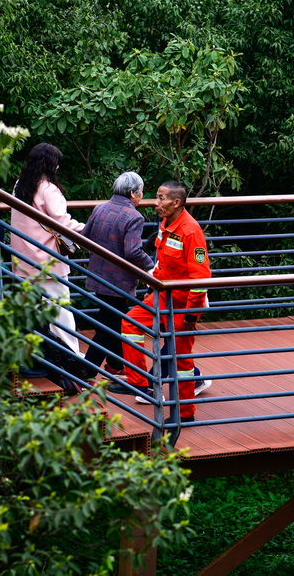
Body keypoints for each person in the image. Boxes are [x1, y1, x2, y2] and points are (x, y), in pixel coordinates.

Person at [114, 181, 211, 423]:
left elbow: (201, 277)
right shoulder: (166, 223)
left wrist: (191, 315)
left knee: (181, 360)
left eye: (161, 198)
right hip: (160, 297)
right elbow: (162, 260)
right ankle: (141, 385)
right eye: (156, 197)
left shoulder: (191, 231)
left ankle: (185, 414)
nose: (155, 203)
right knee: (130, 324)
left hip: (182, 304)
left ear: (176, 203)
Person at [9, 143, 85, 352]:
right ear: (50, 165)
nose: (58, 168)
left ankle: (29, 355)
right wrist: (88, 229)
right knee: (59, 311)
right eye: (57, 163)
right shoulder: (48, 189)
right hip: (48, 261)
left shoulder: (19, 185)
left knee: (30, 311)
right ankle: (72, 356)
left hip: (23, 258)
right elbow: (63, 222)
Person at [80, 172, 155, 378]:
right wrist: (151, 269)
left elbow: (84, 237)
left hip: (98, 275)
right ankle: (86, 371)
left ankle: (115, 364)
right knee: (108, 328)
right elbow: (132, 252)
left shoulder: (100, 208)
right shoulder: (134, 217)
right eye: (140, 192)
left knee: (114, 321)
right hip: (119, 282)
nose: (141, 196)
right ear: (132, 193)